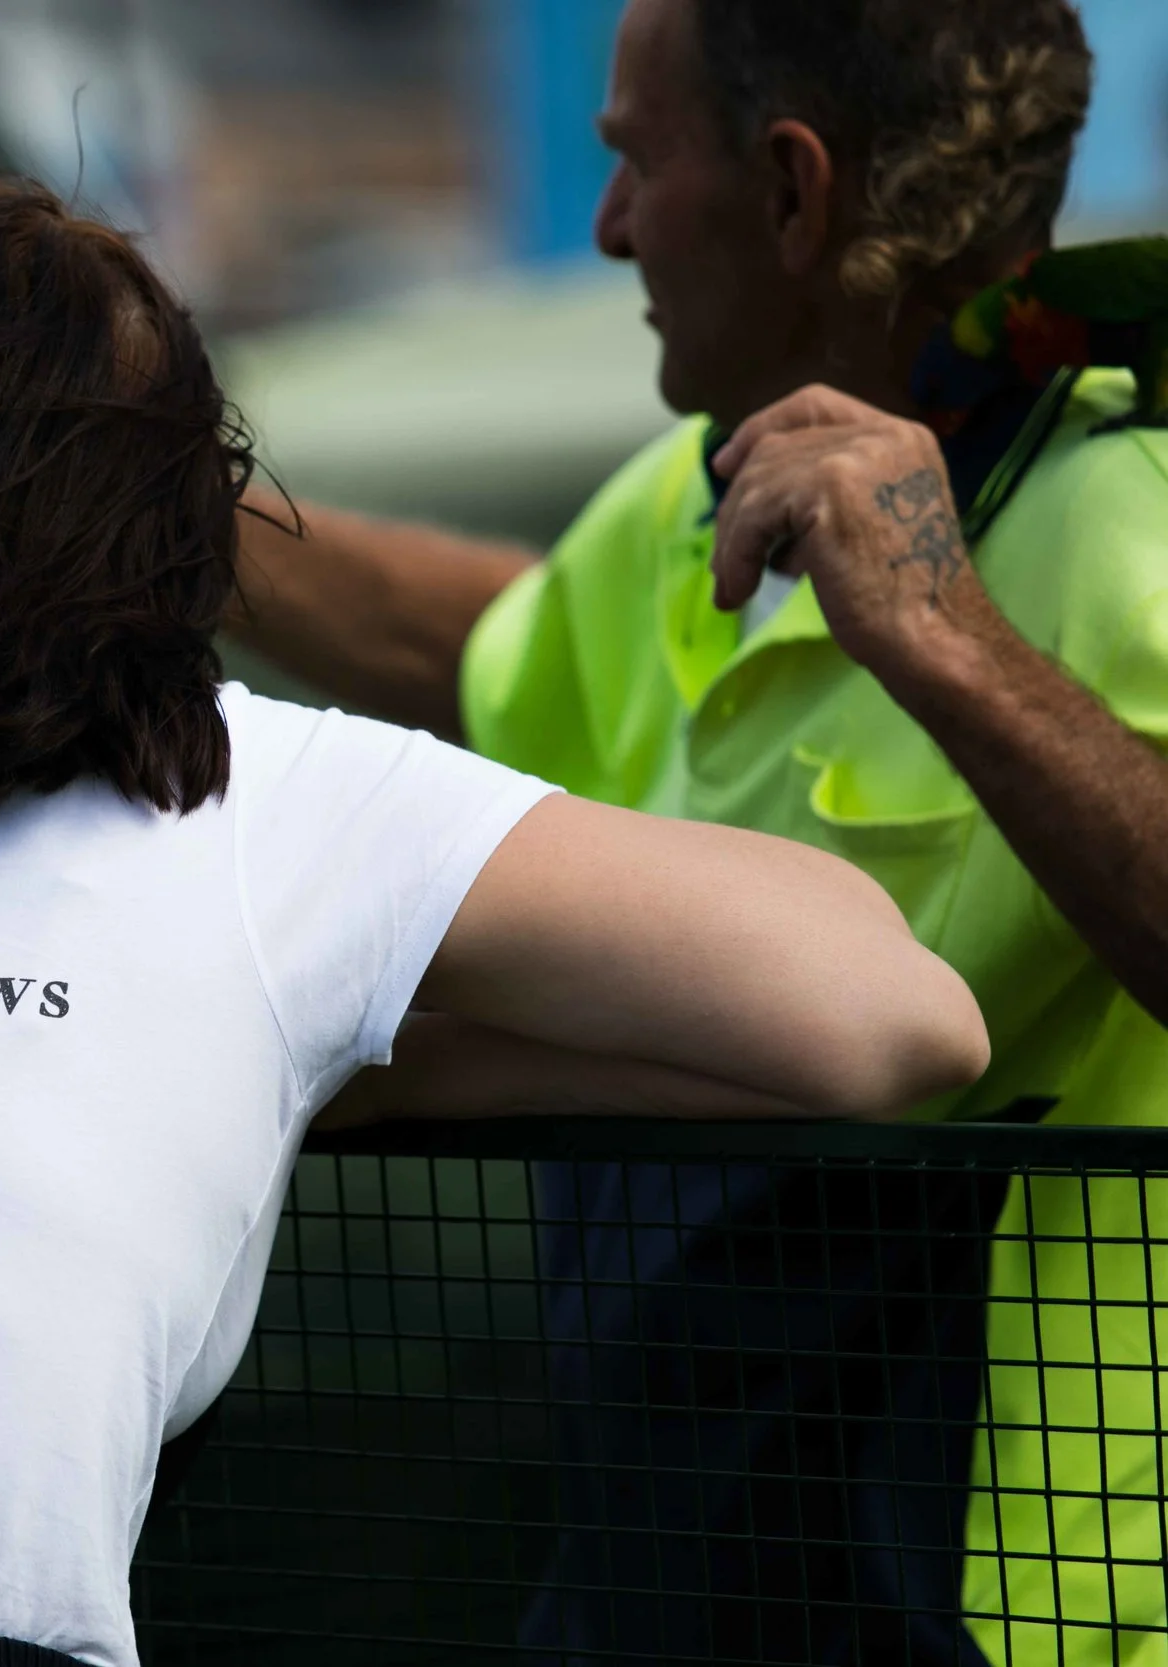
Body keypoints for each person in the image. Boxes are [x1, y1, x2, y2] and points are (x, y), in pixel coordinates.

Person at [0, 177, 985, 1667]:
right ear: (185, 499)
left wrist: (256, 1055)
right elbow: (893, 1018)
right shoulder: (257, 797)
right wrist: (304, 1057)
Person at [231, 1, 1168, 1661]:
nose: (604, 229)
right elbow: (485, 653)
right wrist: (137, 506)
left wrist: (945, 634)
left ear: (795, 192)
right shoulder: (703, 488)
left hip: (1015, 1607)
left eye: (633, 163)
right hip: (684, 1571)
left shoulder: (1128, 519)